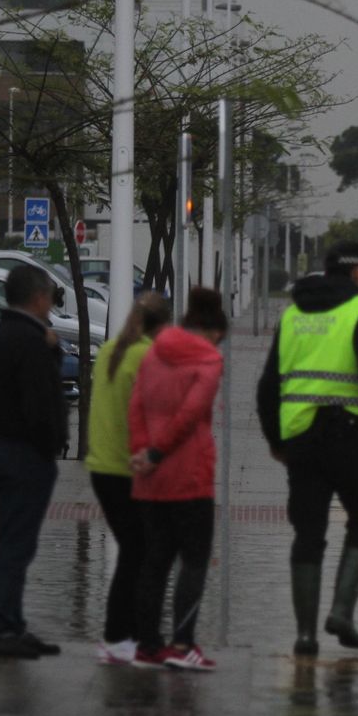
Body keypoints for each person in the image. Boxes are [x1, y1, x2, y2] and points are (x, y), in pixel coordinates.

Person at [257, 241, 358, 657]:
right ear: (357, 272)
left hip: (300, 441)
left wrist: (275, 441)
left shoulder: (292, 316)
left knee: (308, 533)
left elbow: (269, 385)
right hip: (350, 439)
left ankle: (305, 635)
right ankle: (341, 612)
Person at [128, 287, 227, 671]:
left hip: (150, 479)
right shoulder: (209, 360)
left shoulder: (153, 353)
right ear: (212, 332)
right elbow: (191, 413)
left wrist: (143, 453)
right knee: (195, 561)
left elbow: (136, 406)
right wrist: (159, 451)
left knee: (154, 562)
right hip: (189, 477)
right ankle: (183, 644)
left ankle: (148, 647)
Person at [0, 264, 69, 659]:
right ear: (37, 298)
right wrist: (51, 444)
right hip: (23, 454)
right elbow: (40, 403)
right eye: (49, 294)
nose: (51, 302)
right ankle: (1, 630)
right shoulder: (29, 341)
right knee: (16, 545)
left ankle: (11, 622)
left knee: (11, 541)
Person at [84, 290, 171, 666]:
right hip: (127, 469)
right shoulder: (147, 356)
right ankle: (119, 636)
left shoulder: (108, 351)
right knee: (139, 554)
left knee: (135, 551)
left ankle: (128, 633)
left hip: (102, 467)